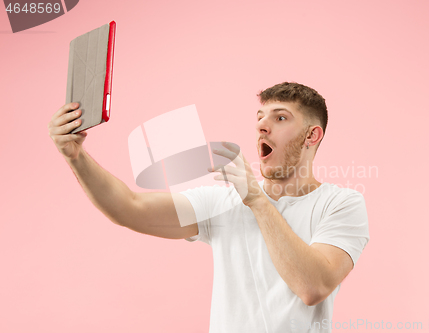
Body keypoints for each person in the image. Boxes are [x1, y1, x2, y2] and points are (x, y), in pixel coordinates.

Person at [48, 82, 369, 332]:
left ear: (312, 135)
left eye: (280, 117)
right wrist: (75, 156)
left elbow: (313, 286)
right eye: (259, 118)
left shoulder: (341, 204)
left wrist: (257, 199)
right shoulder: (223, 201)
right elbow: (128, 206)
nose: (262, 126)